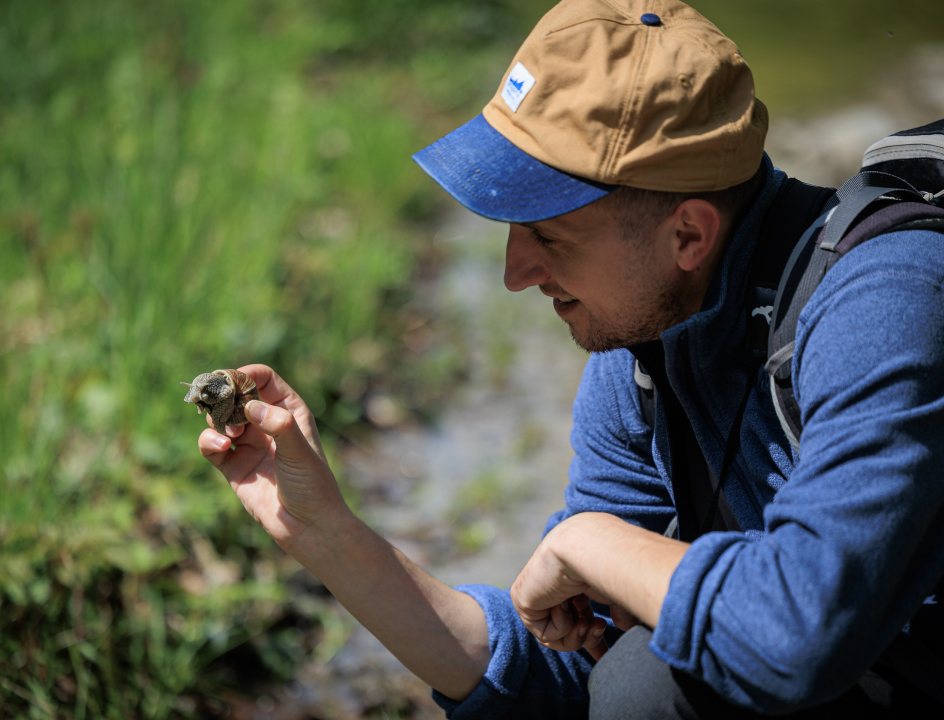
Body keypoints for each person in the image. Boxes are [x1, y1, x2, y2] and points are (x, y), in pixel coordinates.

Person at [196, 0, 944, 716]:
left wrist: (587, 540)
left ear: (688, 235)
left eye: (550, 236)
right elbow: (567, 674)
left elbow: (797, 635)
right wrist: (325, 530)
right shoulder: (641, 352)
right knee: (632, 683)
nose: (515, 274)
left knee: (649, 686)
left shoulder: (887, 303)